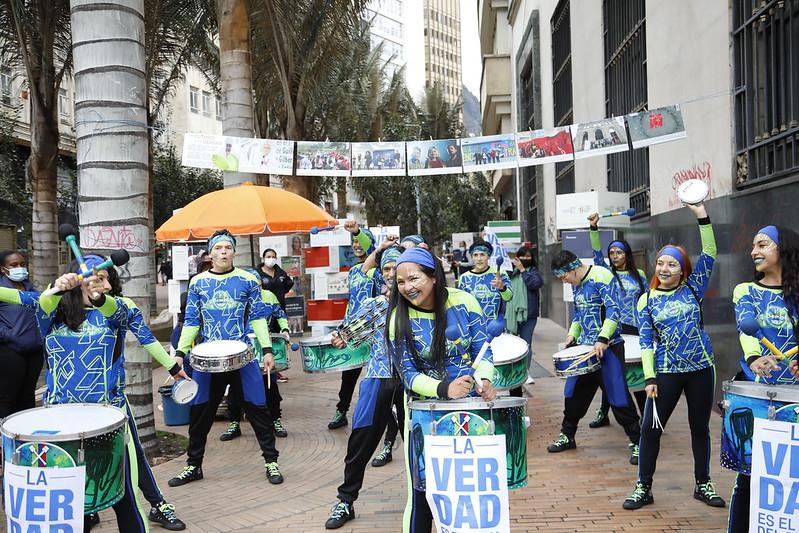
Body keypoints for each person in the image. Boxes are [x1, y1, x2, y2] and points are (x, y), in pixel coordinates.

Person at [0, 259, 186, 532]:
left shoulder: (119, 307)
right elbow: (35, 301)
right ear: (77, 280)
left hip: (110, 415)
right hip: (61, 422)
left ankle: (156, 503)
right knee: (71, 500)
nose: (107, 285)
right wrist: (56, 288)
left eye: (108, 278)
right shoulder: (51, 309)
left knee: (126, 493)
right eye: (98, 278)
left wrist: (173, 367)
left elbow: (145, 336)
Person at [622, 201, 725, 510]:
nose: (664, 269)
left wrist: (701, 215)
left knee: (700, 428)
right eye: (661, 263)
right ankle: (643, 487)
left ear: (683, 270)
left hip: (701, 369)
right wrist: (650, 377)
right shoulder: (647, 300)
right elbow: (645, 342)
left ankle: (703, 483)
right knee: (651, 429)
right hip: (665, 372)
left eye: (672, 264)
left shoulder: (693, 288)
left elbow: (710, 252)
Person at [384, 247, 495, 533]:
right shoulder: (399, 318)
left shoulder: (464, 302)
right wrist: (444, 388)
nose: (407, 287)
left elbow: (483, 351)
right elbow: (408, 375)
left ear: (433, 277)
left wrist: (485, 381)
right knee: (423, 494)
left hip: (470, 413)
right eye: (400, 282)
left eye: (414, 278)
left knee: (470, 493)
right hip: (424, 416)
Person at [169, 229, 284, 487]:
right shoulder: (197, 282)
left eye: (227, 247)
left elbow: (257, 318)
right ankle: (193, 465)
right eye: (218, 248)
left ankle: (271, 461)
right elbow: (191, 322)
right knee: (200, 413)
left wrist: (266, 350)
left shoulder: (247, 281)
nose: (223, 252)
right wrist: (179, 353)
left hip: (242, 356)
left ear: (234, 251)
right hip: (207, 361)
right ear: (210, 252)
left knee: (258, 408)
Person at [324, 241, 406, 529]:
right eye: (386, 268)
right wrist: (339, 338)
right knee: (359, 442)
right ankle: (345, 501)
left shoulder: (423, 305)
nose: (390, 273)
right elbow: (348, 335)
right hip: (378, 379)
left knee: (421, 443)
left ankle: (430, 501)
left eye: (396, 267)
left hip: (414, 384)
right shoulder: (375, 305)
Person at [726, 225, 799, 531]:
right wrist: (755, 359)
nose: (754, 251)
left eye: (763, 245)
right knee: (751, 473)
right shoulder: (746, 291)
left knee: (793, 472)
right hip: (758, 398)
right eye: (753, 246)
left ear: (783, 249)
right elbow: (746, 329)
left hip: (794, 398)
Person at [547, 250, 641, 464]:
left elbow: (614, 311)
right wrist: (573, 334)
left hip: (608, 347)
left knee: (618, 396)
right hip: (585, 349)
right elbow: (579, 314)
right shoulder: (576, 283)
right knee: (573, 393)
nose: (565, 281)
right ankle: (567, 435)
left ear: (573, 268)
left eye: (564, 277)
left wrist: (603, 338)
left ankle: (637, 441)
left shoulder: (601, 276)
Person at [585, 212, 649, 428]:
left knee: (636, 372)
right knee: (612, 372)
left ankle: (646, 416)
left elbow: (647, 300)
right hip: (613, 329)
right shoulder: (605, 272)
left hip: (636, 328)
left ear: (627, 254)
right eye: (611, 252)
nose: (614, 256)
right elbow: (596, 253)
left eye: (619, 252)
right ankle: (604, 411)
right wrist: (594, 229)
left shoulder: (639, 274)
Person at [221, 288, 291, 440]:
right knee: (234, 388)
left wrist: (284, 328)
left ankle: (276, 421)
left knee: (270, 387)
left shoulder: (269, 296)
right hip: (240, 347)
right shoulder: (235, 295)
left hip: (265, 346)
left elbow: (279, 314)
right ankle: (234, 423)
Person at [328, 221, 379, 430]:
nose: (357, 244)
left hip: (376, 328)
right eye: (354, 242)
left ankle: (379, 415)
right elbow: (353, 300)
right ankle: (341, 411)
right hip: (354, 329)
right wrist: (344, 325)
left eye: (360, 241)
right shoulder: (353, 271)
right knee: (348, 374)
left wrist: (357, 231)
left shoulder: (379, 269)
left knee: (376, 375)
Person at [0, 251, 43, 419]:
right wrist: (9, 335)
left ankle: (24, 438)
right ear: (3, 269)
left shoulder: (31, 288)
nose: (20, 268)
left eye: (22, 264)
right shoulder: (2, 290)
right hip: (9, 350)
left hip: (34, 351)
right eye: (14, 265)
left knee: (27, 397)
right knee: (7, 396)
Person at [507, 246, 543, 396]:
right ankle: (514, 372)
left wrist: (523, 270)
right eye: (523, 256)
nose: (526, 259)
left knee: (526, 344)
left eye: (529, 257)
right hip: (511, 316)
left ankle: (525, 372)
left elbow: (535, 284)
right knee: (513, 345)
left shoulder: (533, 272)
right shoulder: (510, 273)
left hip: (529, 315)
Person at [457, 239, 512, 321]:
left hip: (494, 327)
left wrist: (502, 287)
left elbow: (509, 297)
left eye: (482, 255)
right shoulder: (464, 278)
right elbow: (461, 305)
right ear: (472, 257)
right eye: (475, 255)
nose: (479, 259)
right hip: (473, 327)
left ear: (488, 256)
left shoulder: (499, 273)